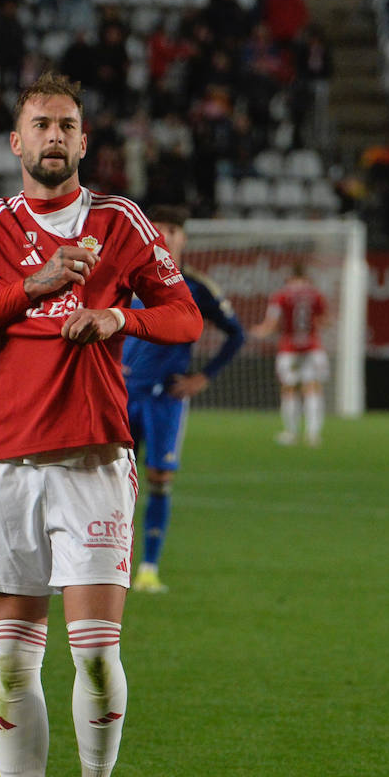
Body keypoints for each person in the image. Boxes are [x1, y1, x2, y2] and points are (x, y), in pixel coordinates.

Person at [0, 72, 202, 777]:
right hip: (8, 465)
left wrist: (121, 316)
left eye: (67, 125)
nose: (54, 136)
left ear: (84, 142)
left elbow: (182, 315)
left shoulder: (120, 223)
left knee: (91, 652)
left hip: (93, 461)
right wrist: (29, 289)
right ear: (16, 142)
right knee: (12, 662)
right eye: (40, 124)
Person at [120, 206, 245, 595]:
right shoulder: (125, 278)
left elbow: (236, 334)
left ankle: (148, 567)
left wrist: (202, 378)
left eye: (173, 229)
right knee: (111, 481)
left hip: (165, 400)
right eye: (158, 228)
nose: (165, 235)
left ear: (184, 238)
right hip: (121, 396)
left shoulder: (196, 287)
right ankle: (110, 566)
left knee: (159, 478)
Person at [249, 264, 330, 447]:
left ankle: (291, 433)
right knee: (312, 388)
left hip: (289, 348)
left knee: (289, 389)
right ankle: (313, 434)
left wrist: (258, 331)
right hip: (312, 347)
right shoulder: (315, 295)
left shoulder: (280, 297)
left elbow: (271, 323)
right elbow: (324, 320)